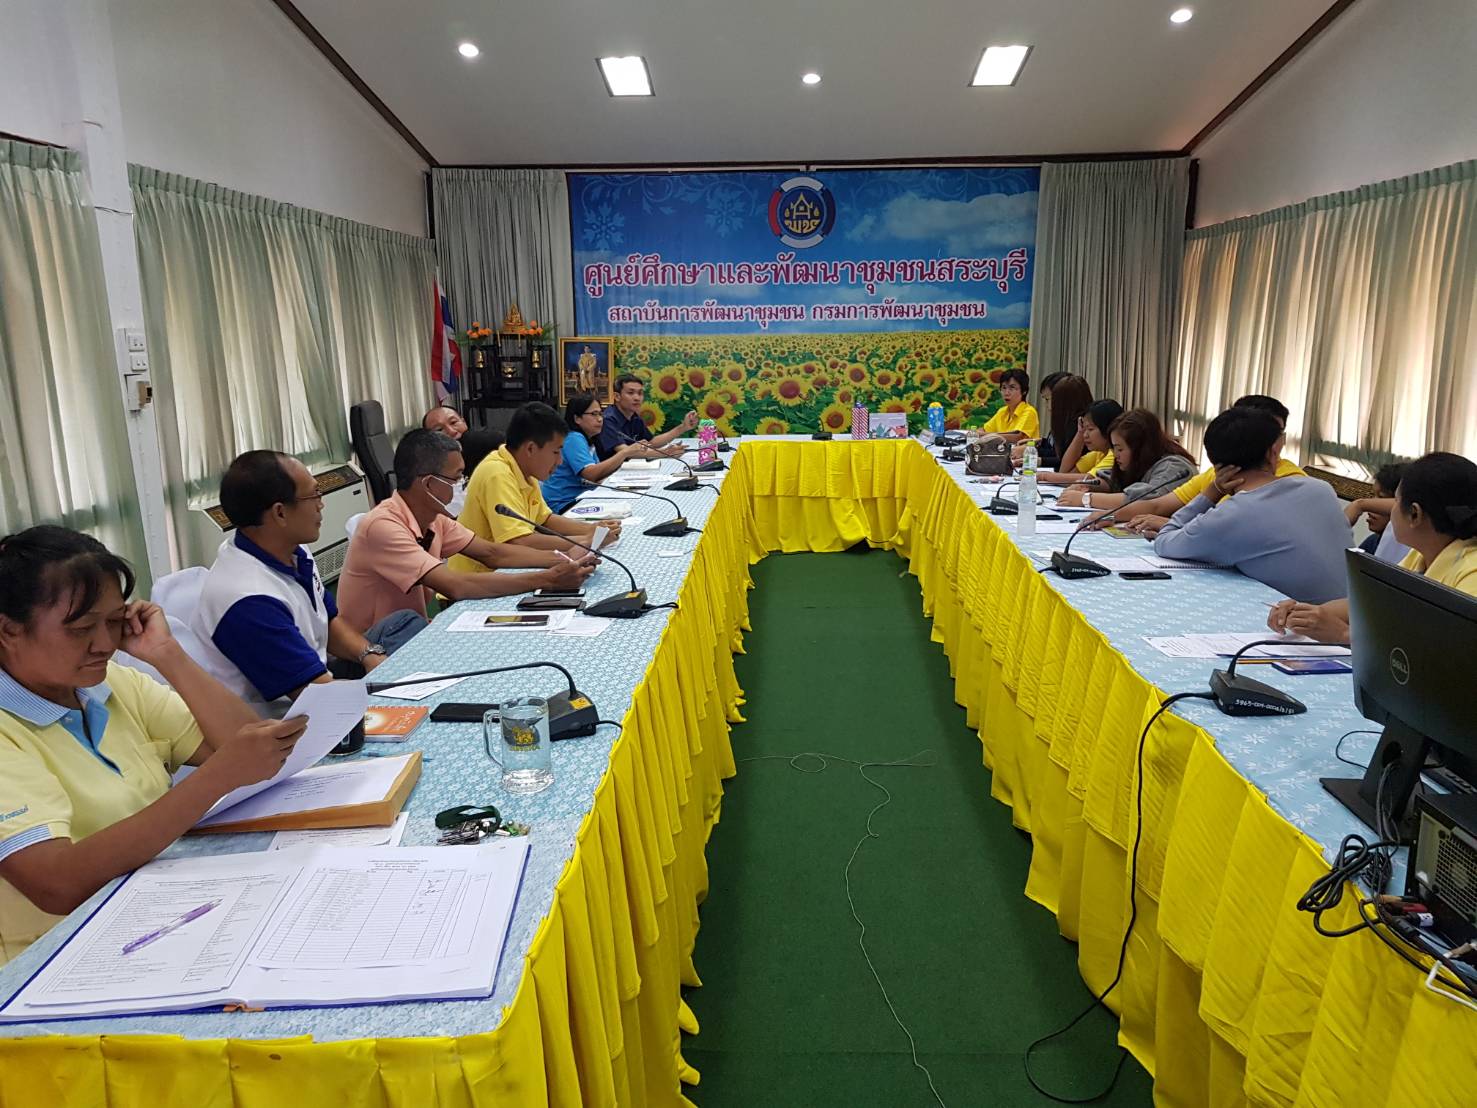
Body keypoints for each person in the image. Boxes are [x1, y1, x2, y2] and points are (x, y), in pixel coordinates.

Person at [0, 526, 307, 964]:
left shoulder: (109, 684)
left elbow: (262, 753)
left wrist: (167, 655)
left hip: (157, 912)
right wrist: (216, 778)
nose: (105, 644)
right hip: (58, 956)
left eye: (114, 621)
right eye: (81, 628)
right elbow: (56, 883)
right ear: (8, 630)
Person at [190, 452, 426, 716]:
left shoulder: (292, 549)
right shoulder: (247, 600)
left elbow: (327, 622)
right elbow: (314, 694)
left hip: (317, 672)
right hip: (286, 718)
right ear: (280, 513)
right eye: (313, 496)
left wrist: (369, 654)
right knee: (405, 704)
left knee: (406, 623)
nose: (321, 505)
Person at [336, 430, 594, 631]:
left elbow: (493, 554)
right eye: (457, 477)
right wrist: (548, 579)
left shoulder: (435, 518)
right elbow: (456, 585)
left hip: (409, 628)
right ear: (429, 483)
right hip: (373, 647)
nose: (461, 484)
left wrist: (566, 557)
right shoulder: (383, 527)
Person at [1268, 452, 1477, 643]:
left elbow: (1448, 651)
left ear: (1415, 514)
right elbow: (1376, 603)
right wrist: (1308, 614)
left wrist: (1345, 634)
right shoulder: (1421, 556)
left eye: (1396, 501)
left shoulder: (1471, 574)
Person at [1154, 406, 1351, 603]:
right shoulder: (1320, 489)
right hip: (1352, 613)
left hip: (1303, 619)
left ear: (1215, 462)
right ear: (1273, 452)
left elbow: (1164, 542)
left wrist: (1213, 491)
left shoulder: (1234, 513)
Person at [1111, 395, 1309, 535]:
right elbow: (1158, 505)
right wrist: (1110, 516)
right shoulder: (1220, 473)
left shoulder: (1291, 481)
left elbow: (1247, 536)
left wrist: (1174, 527)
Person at [456, 402, 622, 566]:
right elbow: (518, 541)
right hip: (481, 576)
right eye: (556, 452)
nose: (560, 461)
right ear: (530, 449)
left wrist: (591, 529)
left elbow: (545, 519)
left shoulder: (525, 469)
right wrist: (586, 540)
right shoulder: (497, 473)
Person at [1056, 409, 1197, 510]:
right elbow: (1111, 481)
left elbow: (1145, 499)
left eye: (1120, 449)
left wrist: (1086, 499)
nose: (1115, 455)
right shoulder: (1139, 463)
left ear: (1140, 447)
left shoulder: (1174, 467)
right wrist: (1086, 486)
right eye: (1114, 448)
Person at [543, 394, 649, 513]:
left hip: (582, 498)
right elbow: (591, 475)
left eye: (600, 414)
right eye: (594, 414)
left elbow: (599, 477)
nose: (600, 419)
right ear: (577, 418)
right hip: (564, 504)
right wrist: (624, 453)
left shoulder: (588, 438)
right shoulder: (573, 438)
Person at [598, 374, 697, 459]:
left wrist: (683, 427)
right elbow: (625, 452)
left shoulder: (634, 417)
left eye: (640, 393)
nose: (637, 398)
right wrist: (665, 453)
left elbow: (651, 442)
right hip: (612, 472)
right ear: (617, 396)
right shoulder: (608, 419)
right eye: (631, 393)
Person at [1039, 398, 1121, 487]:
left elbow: (1090, 480)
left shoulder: (1114, 454)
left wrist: (1044, 476)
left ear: (1108, 429)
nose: (1085, 435)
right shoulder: (1098, 454)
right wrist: (1079, 433)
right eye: (1084, 429)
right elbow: (1064, 471)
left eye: (1090, 429)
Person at [1015, 373, 1087, 470]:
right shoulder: (1063, 419)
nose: (1047, 405)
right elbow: (1053, 446)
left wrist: (1037, 455)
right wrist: (1040, 442)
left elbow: (1064, 459)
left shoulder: (1079, 424)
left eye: (1047, 399)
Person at [1351, 462, 1407, 557]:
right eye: (1373, 496)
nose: (1371, 506)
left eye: (1381, 497)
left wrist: (1359, 505)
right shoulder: (1371, 542)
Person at [980, 368, 1039, 442]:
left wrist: (985, 435)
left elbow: (1017, 437)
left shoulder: (1029, 411)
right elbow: (983, 430)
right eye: (1004, 388)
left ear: (1024, 391)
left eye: (1012, 388)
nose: (1006, 393)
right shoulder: (1002, 411)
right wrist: (974, 434)